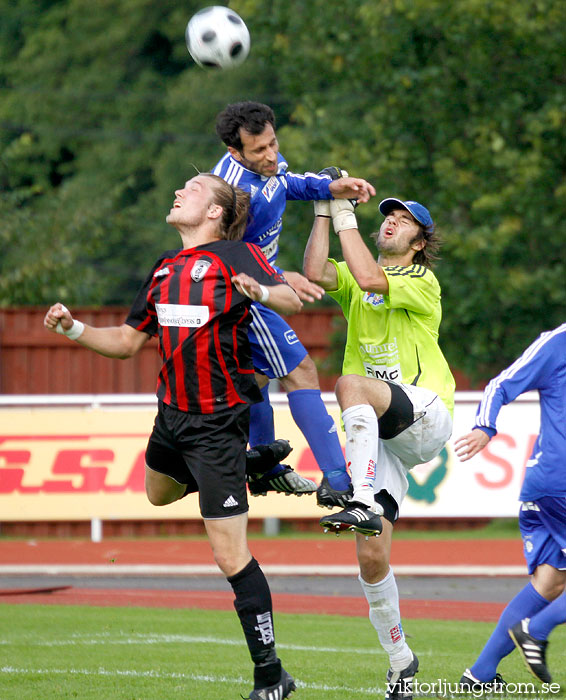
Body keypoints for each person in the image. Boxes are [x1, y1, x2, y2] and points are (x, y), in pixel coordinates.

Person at [43, 173, 301, 700]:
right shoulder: (165, 267)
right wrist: (71, 327)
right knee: (156, 494)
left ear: (214, 212)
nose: (180, 191)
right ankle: (249, 468)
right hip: (170, 417)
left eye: (193, 187)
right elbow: (124, 341)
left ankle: (271, 676)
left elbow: (292, 301)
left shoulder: (236, 253)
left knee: (231, 557)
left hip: (216, 425)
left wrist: (264, 292)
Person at [303, 187, 455, 699]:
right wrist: (323, 209)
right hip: (387, 441)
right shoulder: (361, 278)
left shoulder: (421, 280)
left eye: (403, 219)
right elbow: (318, 271)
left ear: (418, 242)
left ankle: (362, 500)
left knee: (347, 385)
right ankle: (401, 660)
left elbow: (369, 276)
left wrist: (345, 211)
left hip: (427, 413)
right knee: (371, 556)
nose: (390, 221)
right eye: (386, 215)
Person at [212, 101, 376, 506]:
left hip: (256, 287)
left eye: (273, 144)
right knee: (301, 370)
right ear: (235, 153)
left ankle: (264, 468)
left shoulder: (266, 163)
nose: (271, 155)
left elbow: (285, 182)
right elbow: (221, 257)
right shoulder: (231, 194)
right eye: (259, 151)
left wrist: (328, 187)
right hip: (241, 296)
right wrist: (280, 277)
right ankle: (339, 480)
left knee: (258, 380)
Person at [455, 323, 566, 690]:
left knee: (550, 583)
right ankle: (537, 629)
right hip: (559, 480)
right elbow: (500, 384)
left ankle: (480, 674)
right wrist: (484, 426)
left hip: (545, 485)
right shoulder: (558, 342)